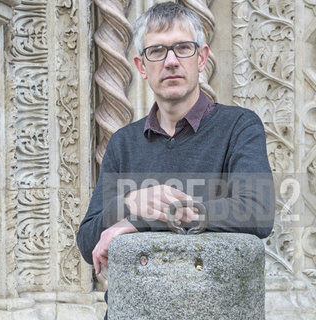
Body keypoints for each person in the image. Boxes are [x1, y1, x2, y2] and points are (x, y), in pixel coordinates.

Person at [77, 2, 275, 317]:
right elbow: (89, 241)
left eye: (183, 48)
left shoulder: (240, 126)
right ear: (141, 66)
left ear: (202, 58)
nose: (171, 61)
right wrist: (130, 203)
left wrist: (142, 218)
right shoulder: (123, 143)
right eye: (157, 51)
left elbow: (256, 212)